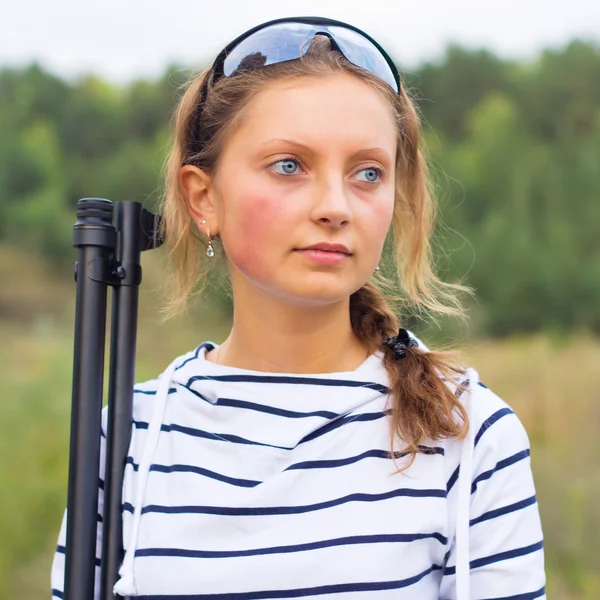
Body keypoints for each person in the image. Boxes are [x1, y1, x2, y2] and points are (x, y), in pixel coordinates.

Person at [51, 16, 546, 599]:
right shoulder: (129, 438)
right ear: (203, 197)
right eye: (289, 165)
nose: (336, 206)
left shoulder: (467, 433)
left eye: (367, 173)